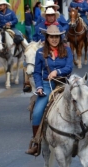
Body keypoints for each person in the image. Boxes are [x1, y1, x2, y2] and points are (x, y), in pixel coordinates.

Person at [25, 25, 73, 155]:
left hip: (64, 83)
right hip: (47, 85)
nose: (54, 39)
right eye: (51, 37)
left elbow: (69, 68)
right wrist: (39, 87)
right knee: (37, 112)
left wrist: (57, 72)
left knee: (85, 100)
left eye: (56, 36)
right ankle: (36, 142)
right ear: (47, 37)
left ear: (60, 37)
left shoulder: (67, 50)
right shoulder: (40, 52)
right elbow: (36, 73)